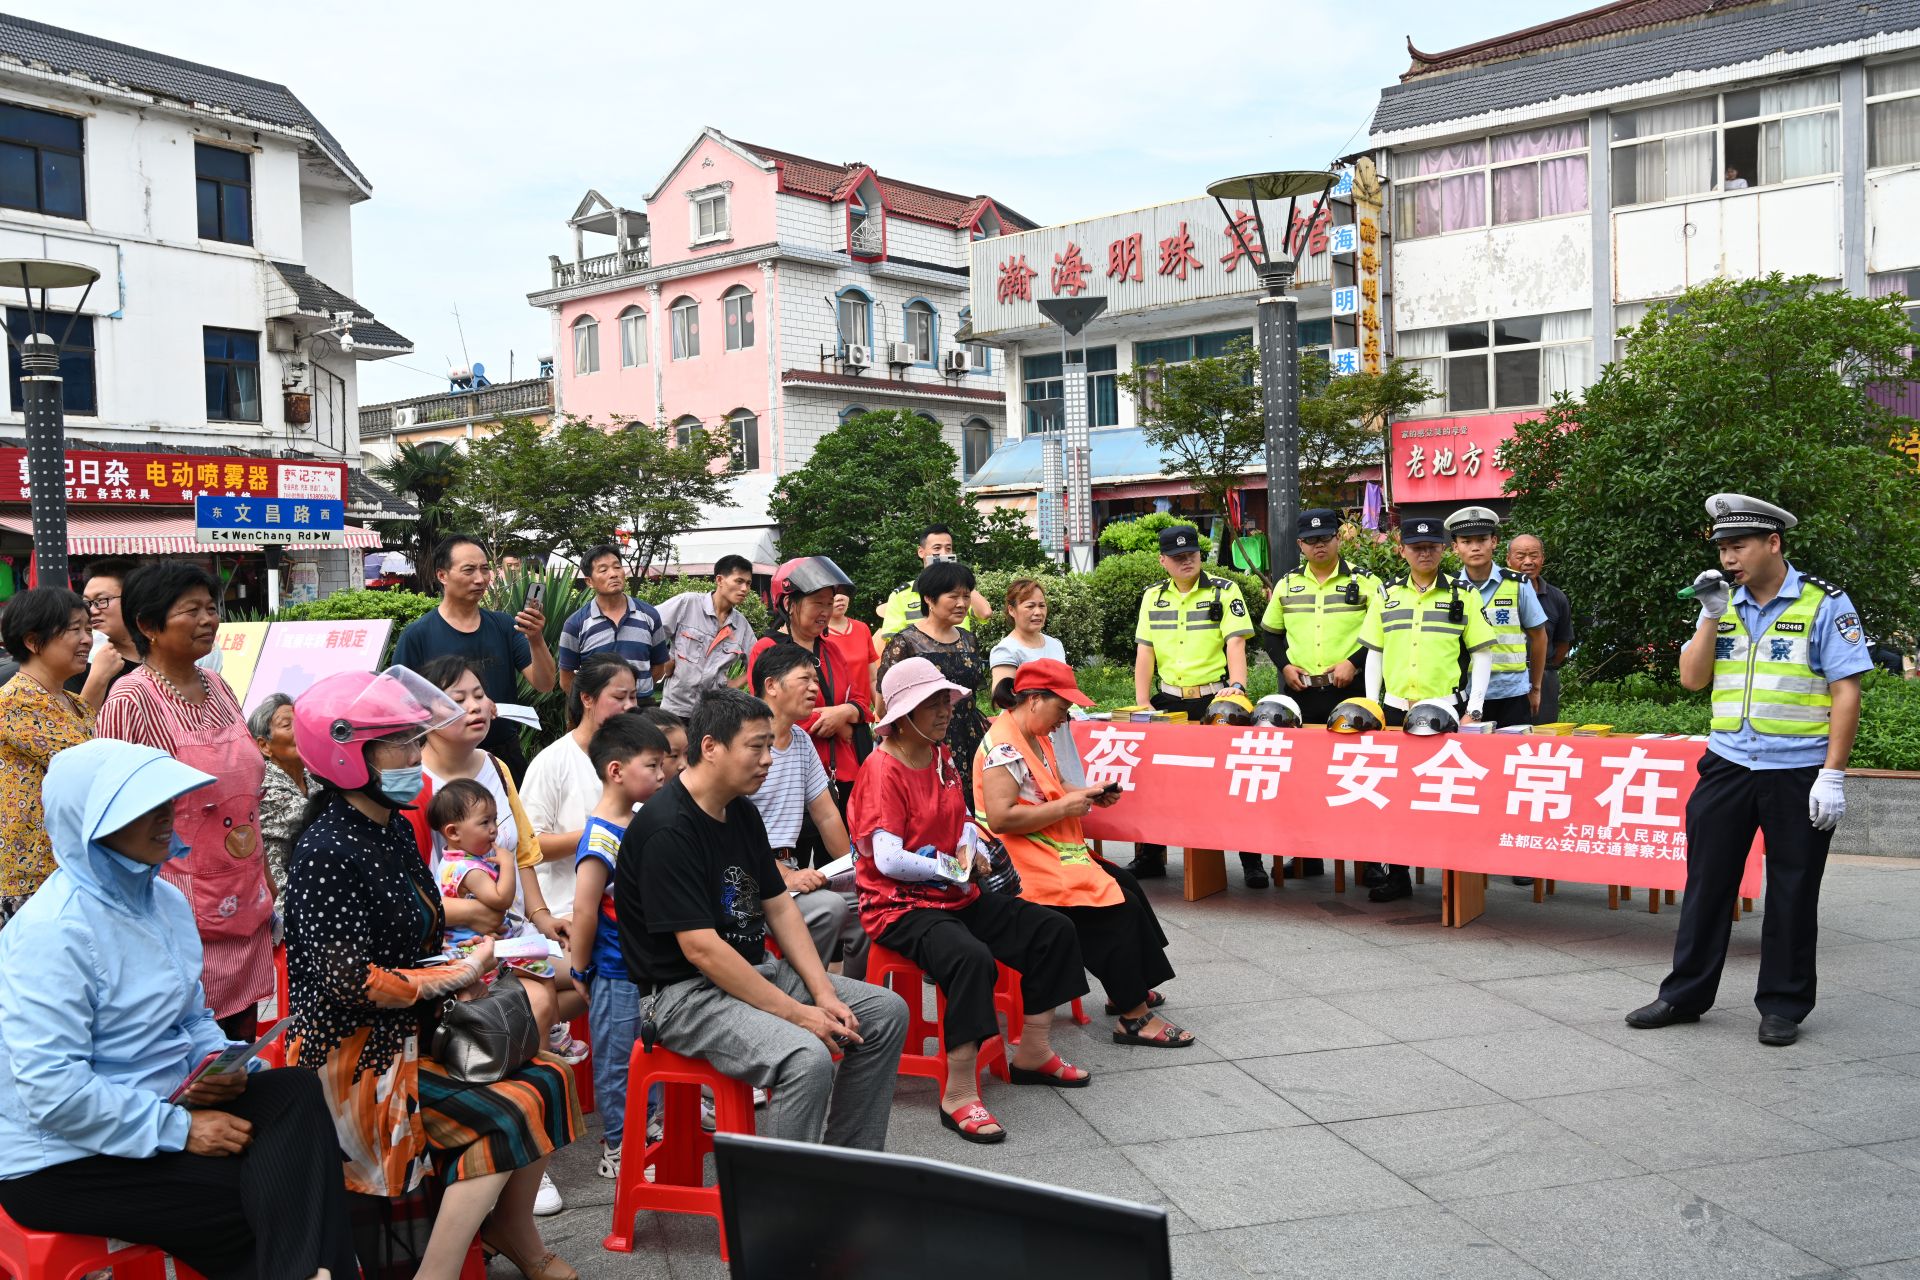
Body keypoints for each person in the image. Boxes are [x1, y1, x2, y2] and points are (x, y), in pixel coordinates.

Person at [0, 738, 357, 1280]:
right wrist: (179, 1129)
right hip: (64, 1159)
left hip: (164, 1103)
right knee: (279, 1188)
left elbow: (190, 1019)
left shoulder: (163, 900)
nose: (166, 817)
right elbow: (55, 1093)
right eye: (143, 808)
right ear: (90, 824)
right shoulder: (56, 932)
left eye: (166, 802)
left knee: (295, 1094)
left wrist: (224, 1069)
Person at [285, 668, 581, 1280]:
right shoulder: (326, 849)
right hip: (357, 1059)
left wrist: (467, 964)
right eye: (400, 743)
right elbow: (352, 983)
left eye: (415, 742)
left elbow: (426, 921)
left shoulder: (390, 826)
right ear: (347, 755)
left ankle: (510, 1232)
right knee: (509, 1109)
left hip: (416, 1033)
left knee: (552, 1075)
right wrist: (454, 976)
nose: (415, 757)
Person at [1626, 494, 1871, 1048]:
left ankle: (1783, 1005)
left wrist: (1833, 774)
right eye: (1723, 547)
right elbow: (1692, 679)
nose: (1729, 557)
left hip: (1797, 770)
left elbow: (1846, 691)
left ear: (1773, 543)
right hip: (1729, 765)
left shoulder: (1823, 603)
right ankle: (1684, 994)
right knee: (1707, 883)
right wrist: (1710, 615)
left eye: (1739, 546)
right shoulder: (1721, 602)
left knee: (1792, 888)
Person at [616, 688, 907, 1150]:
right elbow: (701, 949)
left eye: (770, 745)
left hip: (753, 974)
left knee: (884, 1013)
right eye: (757, 746)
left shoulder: (742, 813)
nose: (768, 759)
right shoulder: (667, 829)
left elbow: (779, 905)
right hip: (681, 997)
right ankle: (785, 1206)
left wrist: (824, 993)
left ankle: (850, 1165)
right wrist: (800, 1014)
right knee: (805, 1056)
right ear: (710, 747)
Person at [852, 658, 1093, 1144]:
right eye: (934, 703)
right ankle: (959, 1094)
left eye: (946, 701)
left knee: (1052, 930)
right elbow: (887, 857)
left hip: (955, 894)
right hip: (900, 906)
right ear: (903, 714)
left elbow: (962, 817)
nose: (946, 711)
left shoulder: (938, 754)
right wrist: (953, 868)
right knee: (970, 959)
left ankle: (1033, 1052)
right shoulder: (882, 769)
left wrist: (973, 850)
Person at [412, 656, 581, 1218]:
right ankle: (521, 1149)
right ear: (426, 713)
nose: (476, 706)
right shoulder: (413, 782)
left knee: (588, 970)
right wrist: (470, 915)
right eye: (457, 698)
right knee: (534, 1003)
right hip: (454, 942)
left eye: (480, 694)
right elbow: (414, 888)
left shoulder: (497, 768)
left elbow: (522, 850)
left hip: (509, 929)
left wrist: (539, 915)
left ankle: (521, 1128)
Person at [976, 659, 1192, 1050]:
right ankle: (1133, 1016)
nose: (1066, 718)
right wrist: (1065, 808)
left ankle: (1128, 988)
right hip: (1018, 866)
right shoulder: (1004, 747)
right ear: (1036, 700)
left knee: (1126, 884)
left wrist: (1088, 793)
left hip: (1047, 852)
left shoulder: (1034, 735)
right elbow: (1002, 817)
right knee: (1111, 904)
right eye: (1063, 708)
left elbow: (1055, 785)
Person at [98, 561, 270, 1039]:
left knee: (241, 1051)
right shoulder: (130, 700)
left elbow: (249, 797)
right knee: (194, 1059)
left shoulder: (218, 686)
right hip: (177, 914)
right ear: (149, 626)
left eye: (211, 608)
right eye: (189, 610)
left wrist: (269, 884)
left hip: (246, 900)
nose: (207, 619)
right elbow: (112, 817)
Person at [1359, 516, 1496, 902]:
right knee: (1393, 799)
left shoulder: (1462, 594)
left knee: (1444, 797)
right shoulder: (1385, 596)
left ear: (1443, 550)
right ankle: (1396, 875)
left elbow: (1482, 653)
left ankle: (1452, 884)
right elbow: (1374, 652)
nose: (1424, 553)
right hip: (1396, 711)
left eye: (1432, 547)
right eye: (1416, 547)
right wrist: (1372, 705)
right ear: (1401, 550)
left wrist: (1476, 709)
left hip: (1445, 714)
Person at [565, 712, 669, 1182]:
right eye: (653, 765)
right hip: (614, 968)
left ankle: (648, 1128)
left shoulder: (643, 819)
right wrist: (579, 967)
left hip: (650, 967)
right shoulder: (601, 835)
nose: (662, 774)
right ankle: (617, 1146)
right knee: (616, 1060)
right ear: (616, 770)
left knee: (650, 1052)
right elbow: (585, 911)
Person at [1127, 524, 1256, 883]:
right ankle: (1151, 855)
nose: (1187, 561)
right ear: (1162, 560)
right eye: (1178, 557)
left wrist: (1238, 686)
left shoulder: (1224, 591)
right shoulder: (1153, 596)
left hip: (1216, 700)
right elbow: (1145, 650)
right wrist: (1141, 701)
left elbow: (1236, 643)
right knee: (1157, 780)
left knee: (1234, 780)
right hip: (1167, 700)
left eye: (1193, 555)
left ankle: (1251, 861)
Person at [1257, 509, 1380, 879]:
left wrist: (1354, 662)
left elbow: (1385, 631)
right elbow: (1270, 633)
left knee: (1359, 779)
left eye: (1325, 538)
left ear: (1338, 539)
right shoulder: (1287, 584)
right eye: (1310, 540)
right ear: (1300, 545)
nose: (1319, 545)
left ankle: (1369, 861)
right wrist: (1284, 666)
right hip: (1302, 694)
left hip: (1352, 693)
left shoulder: (1367, 581)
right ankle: (1309, 856)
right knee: (1307, 780)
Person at [747, 643, 870, 977]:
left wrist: (855, 869)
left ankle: (849, 998)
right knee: (829, 908)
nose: (816, 687)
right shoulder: (741, 741)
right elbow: (728, 832)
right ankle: (803, 1004)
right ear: (771, 685)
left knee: (869, 904)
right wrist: (784, 874)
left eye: (816, 679)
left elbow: (826, 814)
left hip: (786, 872)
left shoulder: (800, 741)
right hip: (747, 876)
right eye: (805, 679)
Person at [392, 534, 556, 781]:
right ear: (442, 576)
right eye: (469, 570)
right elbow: (400, 704)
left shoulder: (503, 625)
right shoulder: (418, 635)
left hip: (504, 756)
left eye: (485, 569)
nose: (480, 579)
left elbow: (544, 684)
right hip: (445, 763)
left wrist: (535, 638)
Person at [751, 556, 871, 865]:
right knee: (795, 856)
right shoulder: (767, 649)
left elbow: (860, 700)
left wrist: (843, 714)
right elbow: (766, 714)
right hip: (788, 775)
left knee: (838, 852)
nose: (826, 612)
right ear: (789, 603)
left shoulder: (832, 650)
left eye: (829, 603)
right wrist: (828, 718)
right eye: (818, 603)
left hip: (841, 771)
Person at [0, 587, 95, 930]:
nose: (87, 639)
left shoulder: (76, 703)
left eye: (88, 628)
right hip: (28, 878)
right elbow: (91, 764)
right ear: (32, 641)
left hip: (65, 868)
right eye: (74, 630)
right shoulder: (16, 701)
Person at [520, 652, 638, 922]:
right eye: (619, 698)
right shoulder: (552, 762)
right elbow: (530, 845)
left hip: (630, 910)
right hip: (567, 911)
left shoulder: (641, 759)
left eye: (633, 697)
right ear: (587, 698)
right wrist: (602, 835)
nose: (630, 706)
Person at [876, 559, 993, 812]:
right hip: (925, 743)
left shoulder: (968, 640)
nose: (962, 603)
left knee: (972, 817)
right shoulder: (905, 642)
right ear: (929, 598)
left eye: (966, 596)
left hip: (970, 737)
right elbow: (883, 706)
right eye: (953, 596)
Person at [1446, 506, 1547, 728]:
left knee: (1513, 757)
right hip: (1464, 693)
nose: (1475, 547)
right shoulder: (1448, 588)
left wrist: (1536, 687)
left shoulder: (1518, 584)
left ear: (1494, 542)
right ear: (1455, 547)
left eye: (1482, 539)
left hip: (1511, 695)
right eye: (1466, 541)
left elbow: (1539, 636)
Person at [988, 577, 1086, 788]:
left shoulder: (1055, 644)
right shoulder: (1006, 649)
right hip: (1026, 735)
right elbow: (1002, 697)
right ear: (1012, 610)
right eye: (1030, 606)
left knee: (1067, 786)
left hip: (1059, 729)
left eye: (1042, 605)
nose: (1038, 612)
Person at [557, 543, 669, 702]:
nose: (613, 574)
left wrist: (633, 694)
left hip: (641, 709)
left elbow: (659, 666)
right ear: (589, 582)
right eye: (603, 570)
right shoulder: (576, 624)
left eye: (617, 567)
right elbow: (566, 678)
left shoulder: (649, 615)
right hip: (598, 712)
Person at [656, 554, 757, 719]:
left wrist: (736, 683)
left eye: (748, 583)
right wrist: (663, 659)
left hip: (713, 716)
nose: (745, 589)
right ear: (719, 580)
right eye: (739, 581)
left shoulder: (741, 626)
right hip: (674, 711)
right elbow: (650, 626)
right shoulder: (687, 604)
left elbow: (758, 662)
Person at [430, 779, 523, 947]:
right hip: (475, 948)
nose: (494, 828)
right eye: (484, 822)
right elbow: (501, 899)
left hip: (469, 946)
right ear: (453, 832)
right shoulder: (469, 870)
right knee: (544, 969)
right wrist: (508, 863)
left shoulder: (450, 861)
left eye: (494, 820)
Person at [873, 524, 992, 645]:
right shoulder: (901, 595)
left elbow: (985, 613)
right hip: (919, 660)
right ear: (921, 552)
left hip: (959, 654)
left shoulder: (961, 593)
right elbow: (893, 640)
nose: (943, 554)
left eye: (948, 549)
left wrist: (961, 580)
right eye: (937, 548)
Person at [1507, 533, 1574, 724]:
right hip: (1504, 677)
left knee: (1543, 735)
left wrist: (1542, 667)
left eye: (1534, 555)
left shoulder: (1557, 597)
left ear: (1542, 559)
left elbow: (1563, 642)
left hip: (1544, 679)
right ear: (1508, 559)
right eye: (1520, 556)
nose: (1528, 562)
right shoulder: (1495, 593)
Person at [248, 692, 308, 900]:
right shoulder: (267, 789)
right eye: (287, 725)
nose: (300, 729)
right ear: (264, 746)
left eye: (300, 722)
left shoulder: (312, 776)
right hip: (284, 901)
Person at [823, 585, 877, 798]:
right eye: (834, 594)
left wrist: (882, 714)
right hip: (833, 721)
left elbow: (873, 677)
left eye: (844, 593)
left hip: (861, 718)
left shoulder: (862, 628)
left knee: (866, 783)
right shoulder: (819, 632)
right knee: (841, 787)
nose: (840, 599)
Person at [68, 558, 139, 705]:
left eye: (101, 600)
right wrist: (98, 679)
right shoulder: (80, 662)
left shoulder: (165, 658)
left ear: (134, 599)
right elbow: (75, 725)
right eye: (87, 602)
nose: (92, 611)